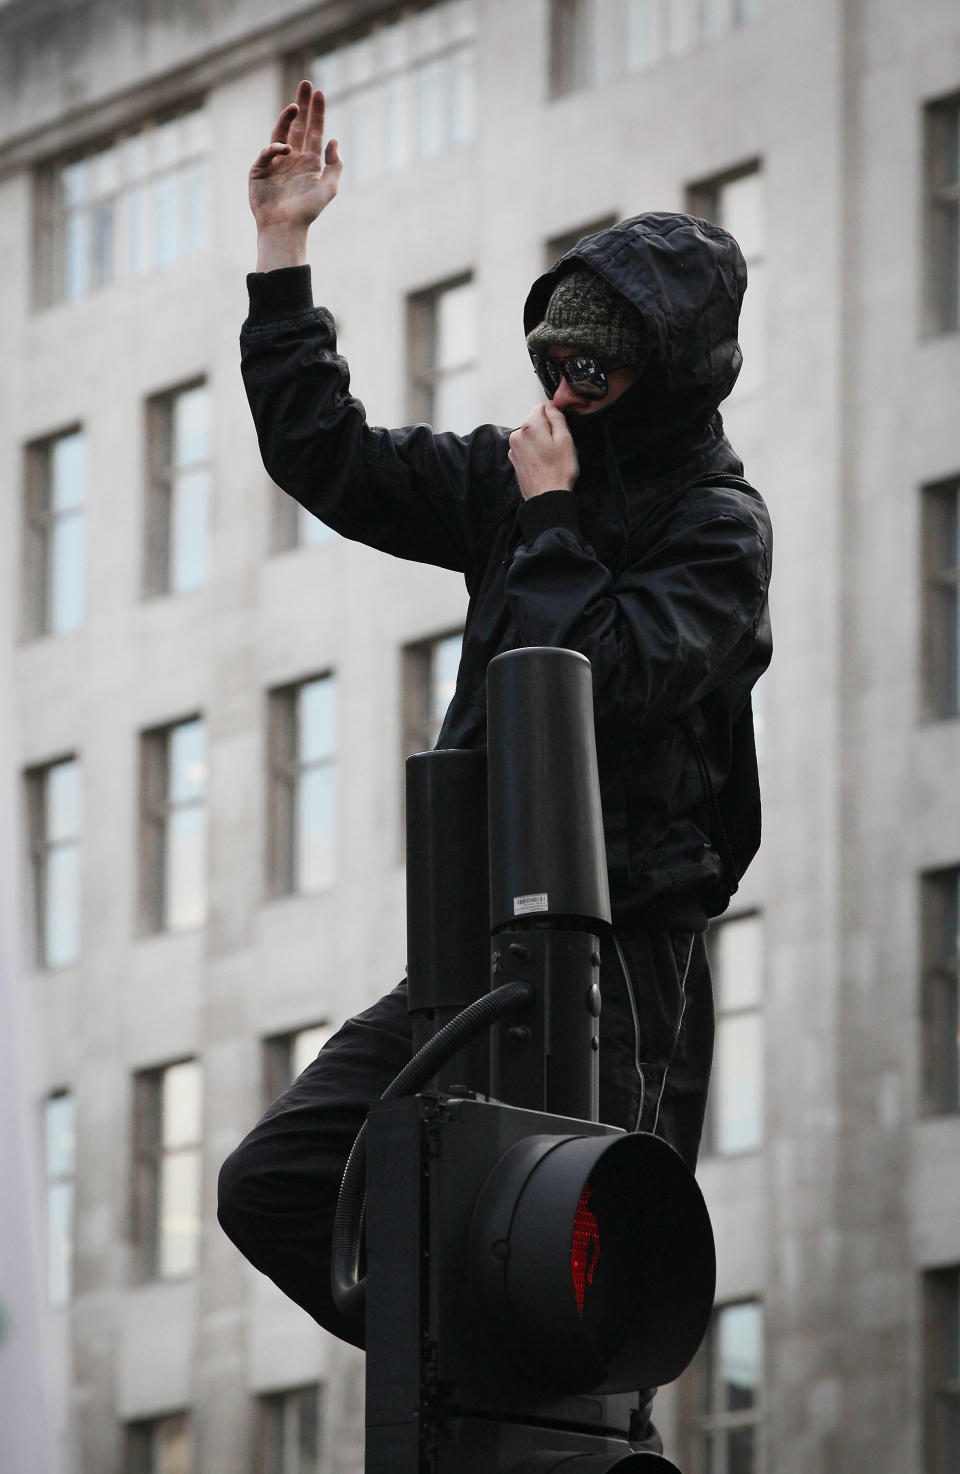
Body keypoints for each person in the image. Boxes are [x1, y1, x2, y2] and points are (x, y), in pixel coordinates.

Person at [218, 81, 772, 1447]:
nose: (567, 391)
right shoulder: (523, 470)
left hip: (623, 959)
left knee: (594, 1290)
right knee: (274, 1180)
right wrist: (284, 258)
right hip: (474, 948)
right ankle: (472, 1357)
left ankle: (562, 1407)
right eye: (556, 362)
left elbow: (611, 689)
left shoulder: (715, 527)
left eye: (600, 370)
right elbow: (329, 457)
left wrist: (556, 518)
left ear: (670, 371)